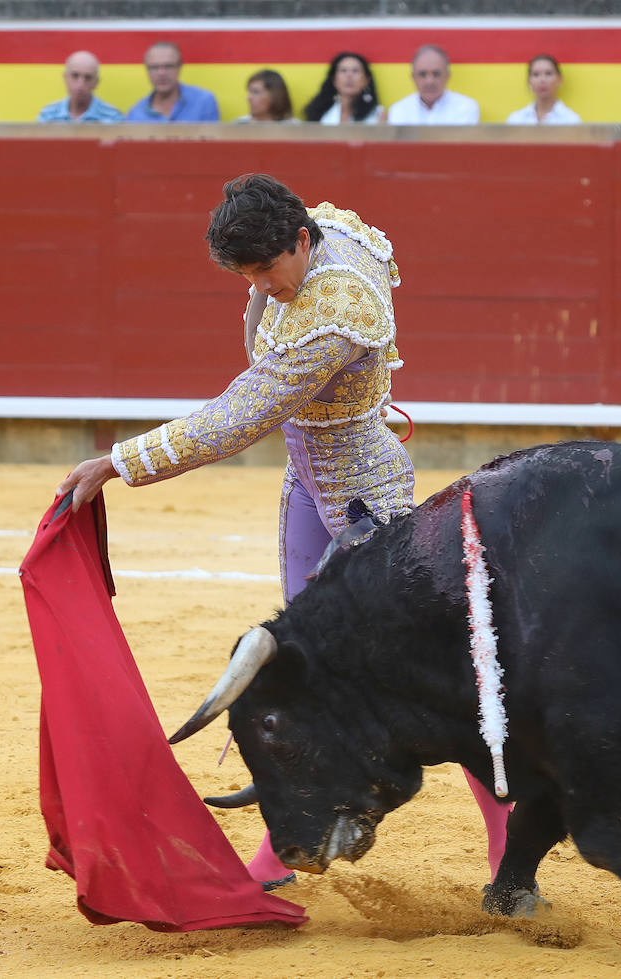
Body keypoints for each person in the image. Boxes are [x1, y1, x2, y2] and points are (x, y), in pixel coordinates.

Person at [58, 174, 512, 889]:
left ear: (301, 241)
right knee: (302, 668)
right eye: (247, 275)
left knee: (429, 685)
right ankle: (284, 849)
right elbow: (258, 354)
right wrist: (257, 291)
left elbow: (239, 416)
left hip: (364, 499)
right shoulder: (317, 233)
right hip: (309, 481)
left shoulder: (336, 308)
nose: (263, 287)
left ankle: (505, 854)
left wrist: (118, 461)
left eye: (267, 270)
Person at [126, 41, 221, 123]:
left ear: (179, 67)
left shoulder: (203, 102)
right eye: (154, 67)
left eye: (168, 66)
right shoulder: (136, 115)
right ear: (147, 70)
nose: (161, 73)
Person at [386, 45, 480, 125]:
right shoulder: (399, 110)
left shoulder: (466, 107)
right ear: (413, 77)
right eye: (422, 74)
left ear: (447, 76)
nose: (429, 81)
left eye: (436, 74)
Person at [38, 50, 123, 123]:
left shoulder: (113, 117)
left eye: (88, 78)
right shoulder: (48, 115)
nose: (80, 84)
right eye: (75, 76)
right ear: (65, 78)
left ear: (96, 83)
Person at [303, 52, 382, 125]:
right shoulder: (319, 111)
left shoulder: (378, 114)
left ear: (366, 80)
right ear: (334, 80)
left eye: (355, 71)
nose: (349, 75)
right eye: (343, 71)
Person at [506, 54, 581, 125]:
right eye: (536, 74)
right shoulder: (516, 120)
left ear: (559, 80)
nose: (542, 80)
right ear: (529, 81)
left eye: (548, 73)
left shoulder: (571, 120)